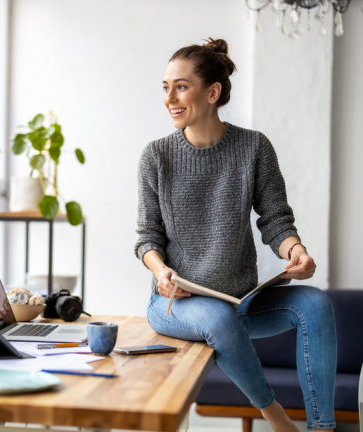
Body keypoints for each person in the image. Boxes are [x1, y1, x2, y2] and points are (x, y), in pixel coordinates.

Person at [135, 38, 336, 432]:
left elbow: (275, 219)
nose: (169, 98)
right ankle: (275, 417)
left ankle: (322, 427)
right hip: (176, 304)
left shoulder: (254, 148)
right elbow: (147, 237)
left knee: (316, 306)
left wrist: (296, 250)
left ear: (212, 92)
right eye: (165, 87)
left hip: (241, 301)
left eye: (180, 86)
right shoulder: (155, 156)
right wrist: (160, 272)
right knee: (218, 318)